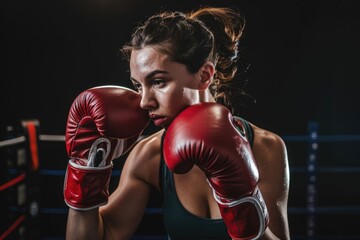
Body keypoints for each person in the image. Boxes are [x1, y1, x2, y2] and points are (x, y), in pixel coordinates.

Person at [64, 6, 290, 240]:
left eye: (158, 82)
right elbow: (102, 235)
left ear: (205, 75)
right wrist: (86, 169)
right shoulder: (150, 154)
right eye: (138, 85)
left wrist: (241, 201)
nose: (144, 102)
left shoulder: (266, 148)